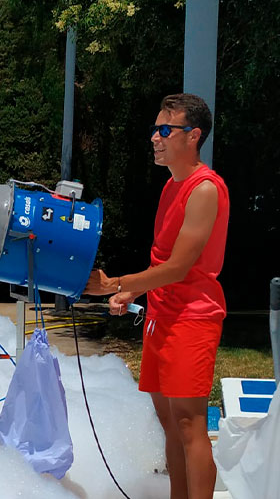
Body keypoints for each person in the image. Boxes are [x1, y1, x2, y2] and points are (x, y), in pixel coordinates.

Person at [84, 93, 229, 499]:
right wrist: (131, 290)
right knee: (169, 421)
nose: (155, 138)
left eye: (166, 130)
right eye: (155, 130)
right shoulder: (171, 187)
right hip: (160, 315)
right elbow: (162, 261)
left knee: (190, 424)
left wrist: (115, 283)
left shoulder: (204, 189)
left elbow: (181, 268)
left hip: (192, 318)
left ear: (194, 135)